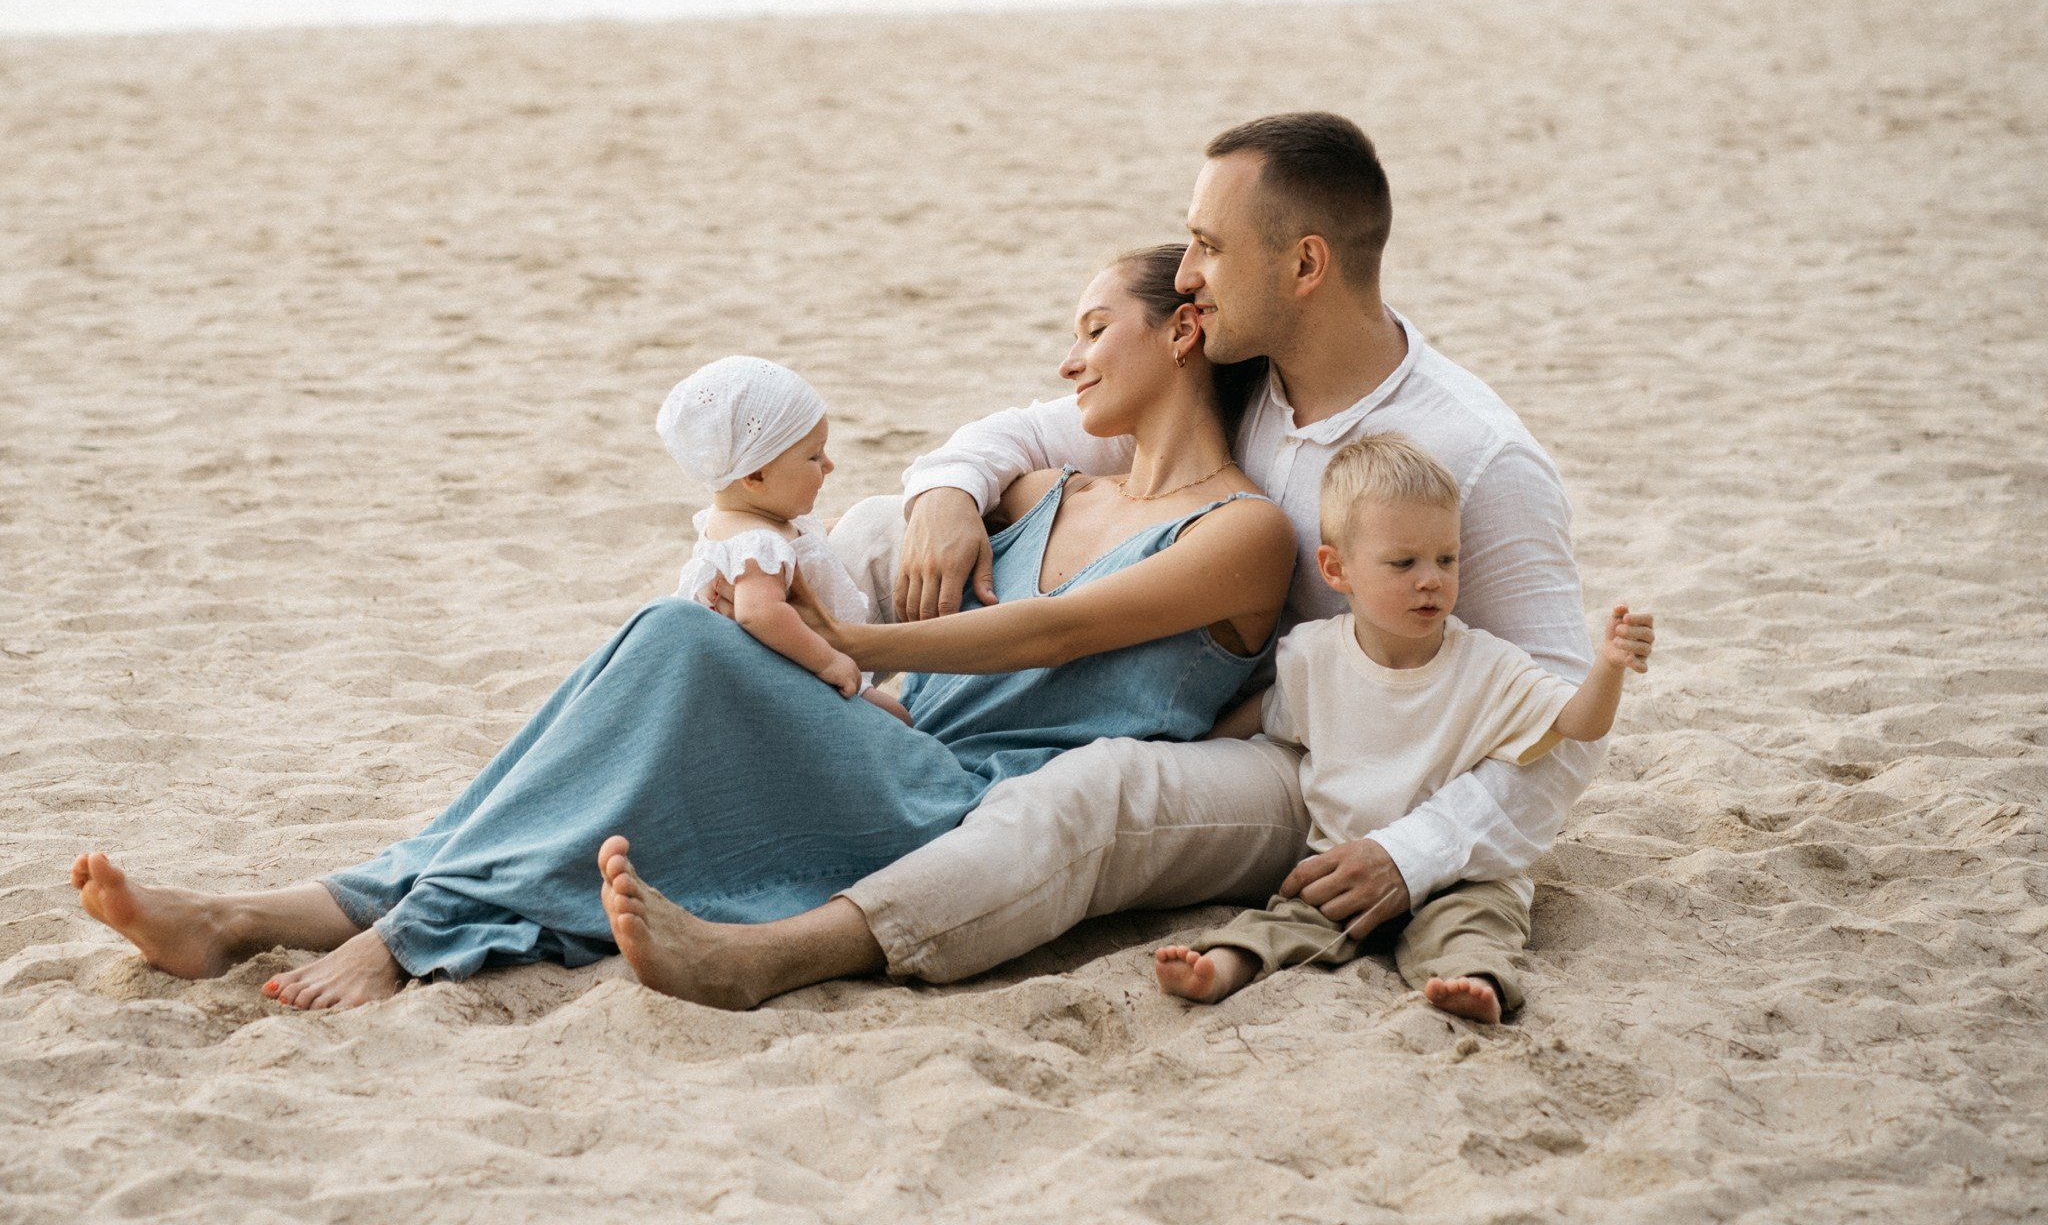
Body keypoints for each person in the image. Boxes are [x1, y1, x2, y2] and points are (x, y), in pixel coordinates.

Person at [70, 246, 1295, 1010]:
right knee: (661, 650)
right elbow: (969, 457)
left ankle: (404, 928)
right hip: (876, 736)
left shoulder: (1242, 532)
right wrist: (942, 496)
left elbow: (1057, 636)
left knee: (679, 643)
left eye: (1094, 328)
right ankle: (252, 914)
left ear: (1183, 330)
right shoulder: (1044, 488)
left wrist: (845, 646)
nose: (1069, 360)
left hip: (952, 793)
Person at [597, 111, 1601, 1010]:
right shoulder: (1242, 375)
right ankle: (722, 746)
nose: (1189, 274)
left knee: (1100, 788)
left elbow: (1565, 717)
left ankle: (780, 953)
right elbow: (1025, 430)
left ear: (1304, 265)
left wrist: (1411, 852)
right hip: (1218, 678)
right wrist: (945, 494)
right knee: (869, 526)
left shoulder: (1477, 455)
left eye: (1210, 246)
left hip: (1326, 766)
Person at [1152, 433, 1653, 1022]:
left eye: (1446, 559)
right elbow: (1266, 713)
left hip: (1463, 877)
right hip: (1345, 866)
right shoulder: (1312, 656)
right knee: (1284, 920)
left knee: (1475, 927)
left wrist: (1609, 666)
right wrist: (1194, 749)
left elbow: (1578, 724)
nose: (1431, 580)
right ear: (1337, 568)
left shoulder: (1486, 665)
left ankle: (1473, 984)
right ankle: (1220, 968)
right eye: (1403, 563)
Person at [656, 354, 910, 723]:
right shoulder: (756, 544)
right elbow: (758, 613)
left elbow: (806, 542)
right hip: (795, 672)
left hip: (797, 664)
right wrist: (827, 661)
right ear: (756, 476)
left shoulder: (749, 519)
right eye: (814, 456)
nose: (829, 465)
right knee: (898, 719)